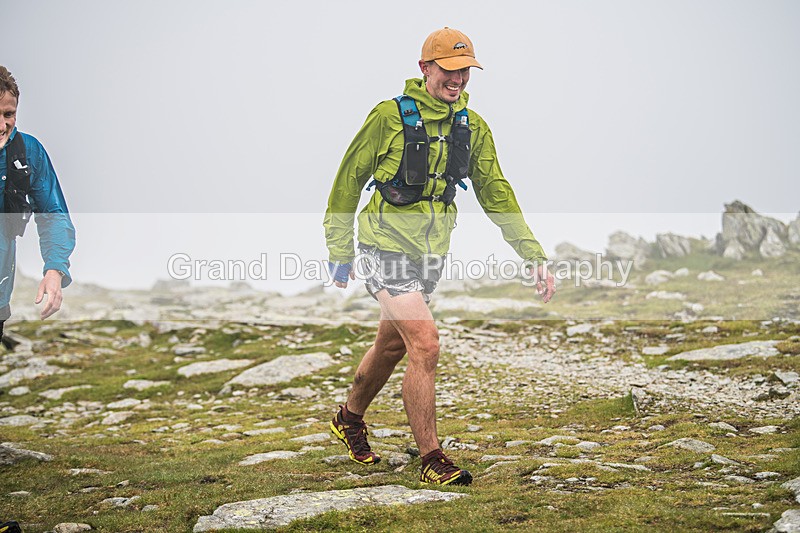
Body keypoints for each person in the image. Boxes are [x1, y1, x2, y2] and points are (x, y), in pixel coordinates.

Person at [323, 27, 555, 486]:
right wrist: (340, 250)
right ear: (425, 67)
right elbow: (348, 180)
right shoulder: (388, 117)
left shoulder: (472, 126)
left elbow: (496, 192)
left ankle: (348, 419)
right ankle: (432, 459)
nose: (459, 79)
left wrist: (533, 255)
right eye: (449, 69)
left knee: (393, 344)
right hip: (381, 244)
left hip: (431, 251)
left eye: (466, 70)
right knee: (425, 342)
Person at [0, 66, 76, 342]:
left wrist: (54, 269)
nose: (2, 126)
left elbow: (53, 214)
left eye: (8, 114)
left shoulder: (28, 151)